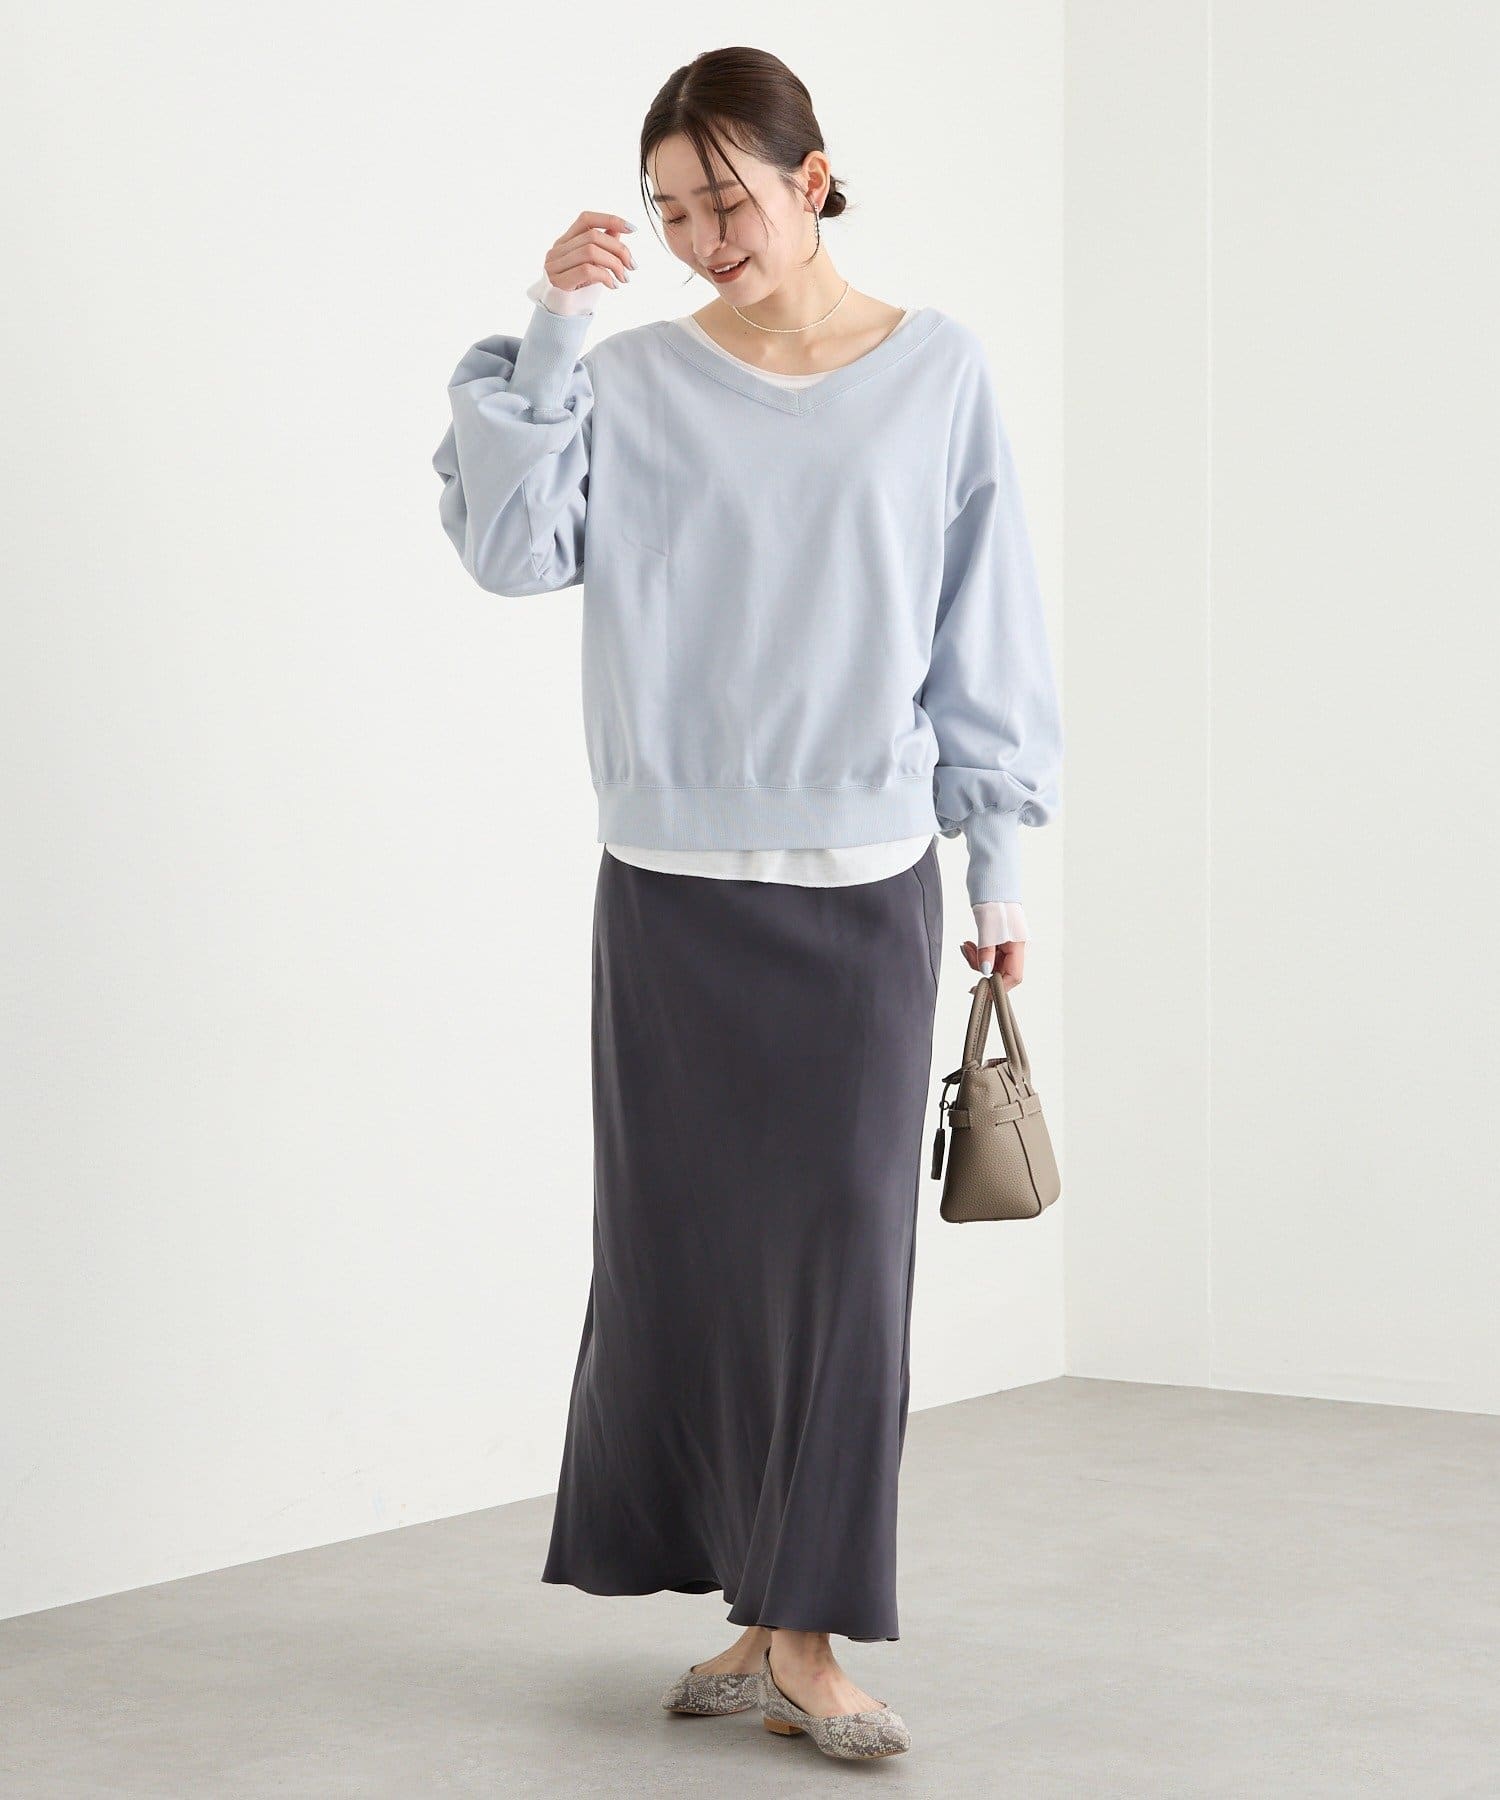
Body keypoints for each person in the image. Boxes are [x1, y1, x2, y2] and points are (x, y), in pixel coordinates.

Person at [431, 45, 1062, 1765]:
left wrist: (1000, 861)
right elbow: (510, 551)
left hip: (863, 890)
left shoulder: (939, 372)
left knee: (843, 1273)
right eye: (673, 211)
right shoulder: (632, 378)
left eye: (729, 198)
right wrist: (555, 324)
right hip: (668, 893)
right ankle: (756, 1621)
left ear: (814, 177)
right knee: (686, 1268)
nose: (706, 237)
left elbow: (986, 620)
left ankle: (809, 1637)